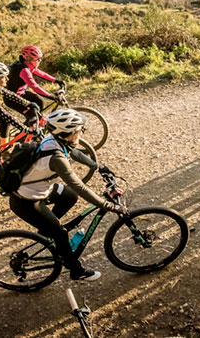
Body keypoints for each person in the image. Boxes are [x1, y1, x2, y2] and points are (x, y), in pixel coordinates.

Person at [11, 109, 127, 282]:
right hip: (27, 201)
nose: (82, 132)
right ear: (67, 134)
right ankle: (76, 270)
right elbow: (79, 186)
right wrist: (107, 205)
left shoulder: (54, 140)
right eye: (79, 130)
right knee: (61, 233)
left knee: (69, 196)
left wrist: (97, 166)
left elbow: (74, 152)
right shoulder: (56, 158)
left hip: (39, 189)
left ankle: (46, 234)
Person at [5, 45, 64, 114]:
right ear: (28, 59)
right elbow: (35, 87)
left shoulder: (27, 65)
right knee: (32, 113)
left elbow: (42, 74)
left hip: (21, 93)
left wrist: (56, 80)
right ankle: (30, 123)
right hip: (12, 98)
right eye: (37, 59)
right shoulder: (24, 70)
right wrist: (51, 97)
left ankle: (36, 121)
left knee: (40, 101)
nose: (40, 60)